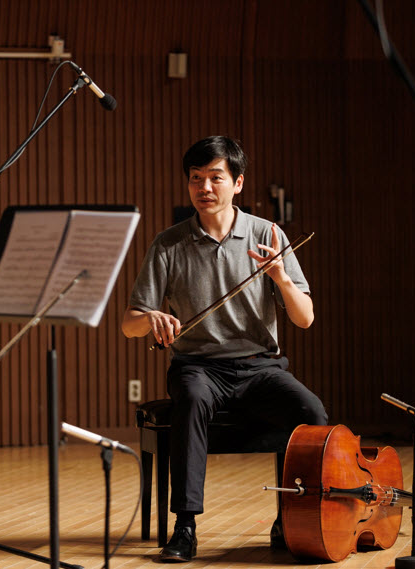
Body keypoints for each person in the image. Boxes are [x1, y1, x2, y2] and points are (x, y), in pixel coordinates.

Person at [122, 136, 327, 562]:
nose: (204, 188)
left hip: (260, 366)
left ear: (238, 184)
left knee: (311, 413)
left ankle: (291, 516)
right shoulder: (168, 244)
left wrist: (281, 278)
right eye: (196, 179)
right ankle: (185, 527)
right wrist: (152, 319)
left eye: (216, 178)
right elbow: (129, 325)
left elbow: (304, 318)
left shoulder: (267, 234)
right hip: (198, 367)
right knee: (192, 400)